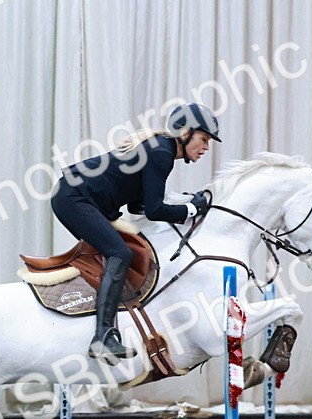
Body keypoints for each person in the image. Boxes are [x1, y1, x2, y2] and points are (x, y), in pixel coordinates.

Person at [51, 103, 221, 363]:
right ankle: (103, 336)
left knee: (121, 250)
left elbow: (138, 206)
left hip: (75, 195)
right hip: (74, 197)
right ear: (185, 132)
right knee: (119, 253)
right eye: (204, 139)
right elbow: (154, 210)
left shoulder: (161, 148)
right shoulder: (161, 153)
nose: (206, 147)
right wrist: (192, 209)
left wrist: (185, 203)